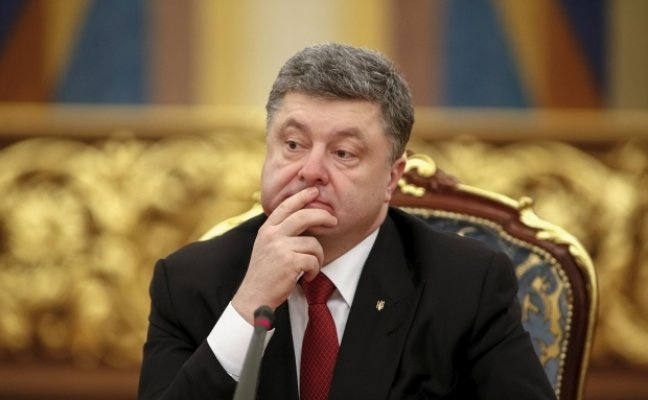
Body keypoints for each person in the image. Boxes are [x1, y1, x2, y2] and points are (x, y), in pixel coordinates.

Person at [138, 43, 556, 400]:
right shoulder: (188, 282)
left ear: (391, 177)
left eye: (343, 153)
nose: (310, 170)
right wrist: (248, 306)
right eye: (293, 144)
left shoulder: (465, 284)